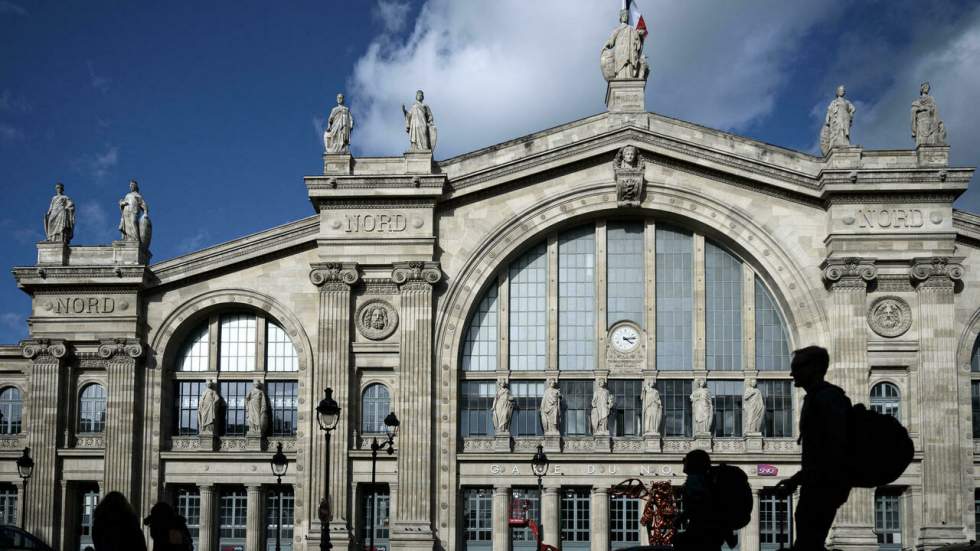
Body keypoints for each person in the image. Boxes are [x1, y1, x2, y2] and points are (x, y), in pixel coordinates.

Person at [775, 345, 852, 551]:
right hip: (817, 483)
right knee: (809, 540)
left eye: (797, 367)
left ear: (814, 368)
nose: (792, 373)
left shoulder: (828, 398)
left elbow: (832, 450)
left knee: (809, 542)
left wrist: (804, 478)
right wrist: (797, 480)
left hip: (824, 485)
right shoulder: (817, 398)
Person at [673, 450, 728, 551]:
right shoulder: (708, 479)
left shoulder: (694, 479)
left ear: (692, 463)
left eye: (685, 460)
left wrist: (681, 518)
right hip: (713, 534)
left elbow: (697, 505)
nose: (683, 463)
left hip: (700, 531)